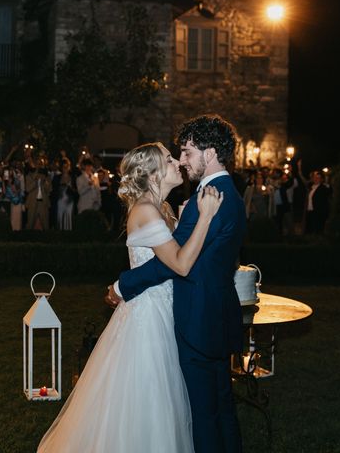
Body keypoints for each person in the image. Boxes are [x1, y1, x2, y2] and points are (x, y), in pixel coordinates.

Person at [39, 142, 223, 452]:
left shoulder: (161, 208)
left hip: (163, 311)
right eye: (168, 160)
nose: (177, 162)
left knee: (161, 399)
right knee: (148, 398)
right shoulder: (146, 211)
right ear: (151, 173)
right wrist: (205, 218)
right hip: (147, 320)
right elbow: (179, 263)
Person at [107, 115, 246, 453]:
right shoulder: (229, 194)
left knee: (204, 414)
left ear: (209, 153)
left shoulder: (207, 200)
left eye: (186, 151)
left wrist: (122, 285)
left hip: (197, 320)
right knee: (219, 408)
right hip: (213, 314)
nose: (182, 160)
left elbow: (171, 265)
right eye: (176, 155)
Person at [52, 158, 76, 230]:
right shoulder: (57, 177)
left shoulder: (73, 178)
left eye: (67, 166)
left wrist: (70, 188)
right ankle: (59, 235)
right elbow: (53, 190)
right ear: (61, 167)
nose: (65, 168)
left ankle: (69, 235)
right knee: (60, 217)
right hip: (60, 201)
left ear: (69, 167)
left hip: (70, 201)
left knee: (69, 218)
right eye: (64, 166)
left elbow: (76, 191)